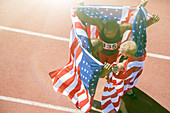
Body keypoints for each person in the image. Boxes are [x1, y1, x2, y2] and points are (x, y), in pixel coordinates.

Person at [74, 0, 156, 64]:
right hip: (101, 51)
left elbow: (137, 27)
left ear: (116, 30)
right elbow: (87, 19)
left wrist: (151, 21)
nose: (108, 35)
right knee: (99, 64)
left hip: (113, 53)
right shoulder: (101, 25)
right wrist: (77, 11)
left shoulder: (122, 28)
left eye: (111, 34)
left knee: (110, 67)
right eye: (106, 33)